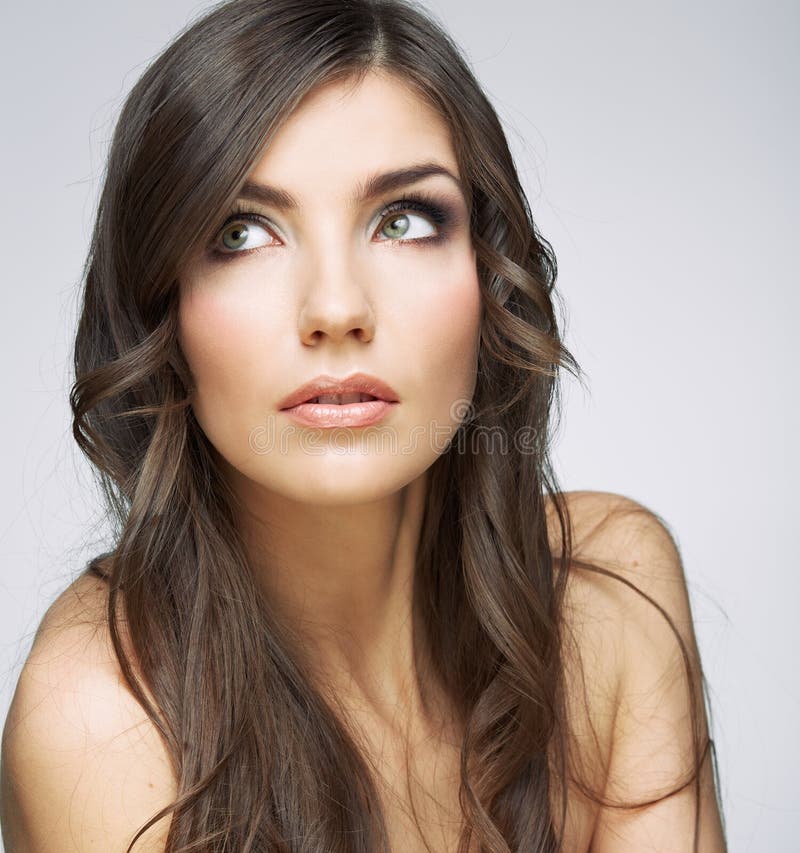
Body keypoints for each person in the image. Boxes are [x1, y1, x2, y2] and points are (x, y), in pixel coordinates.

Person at [0, 0, 727, 850]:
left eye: (404, 220)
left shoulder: (610, 596)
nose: (337, 308)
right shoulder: (102, 718)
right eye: (242, 232)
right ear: (161, 312)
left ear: (489, 281)